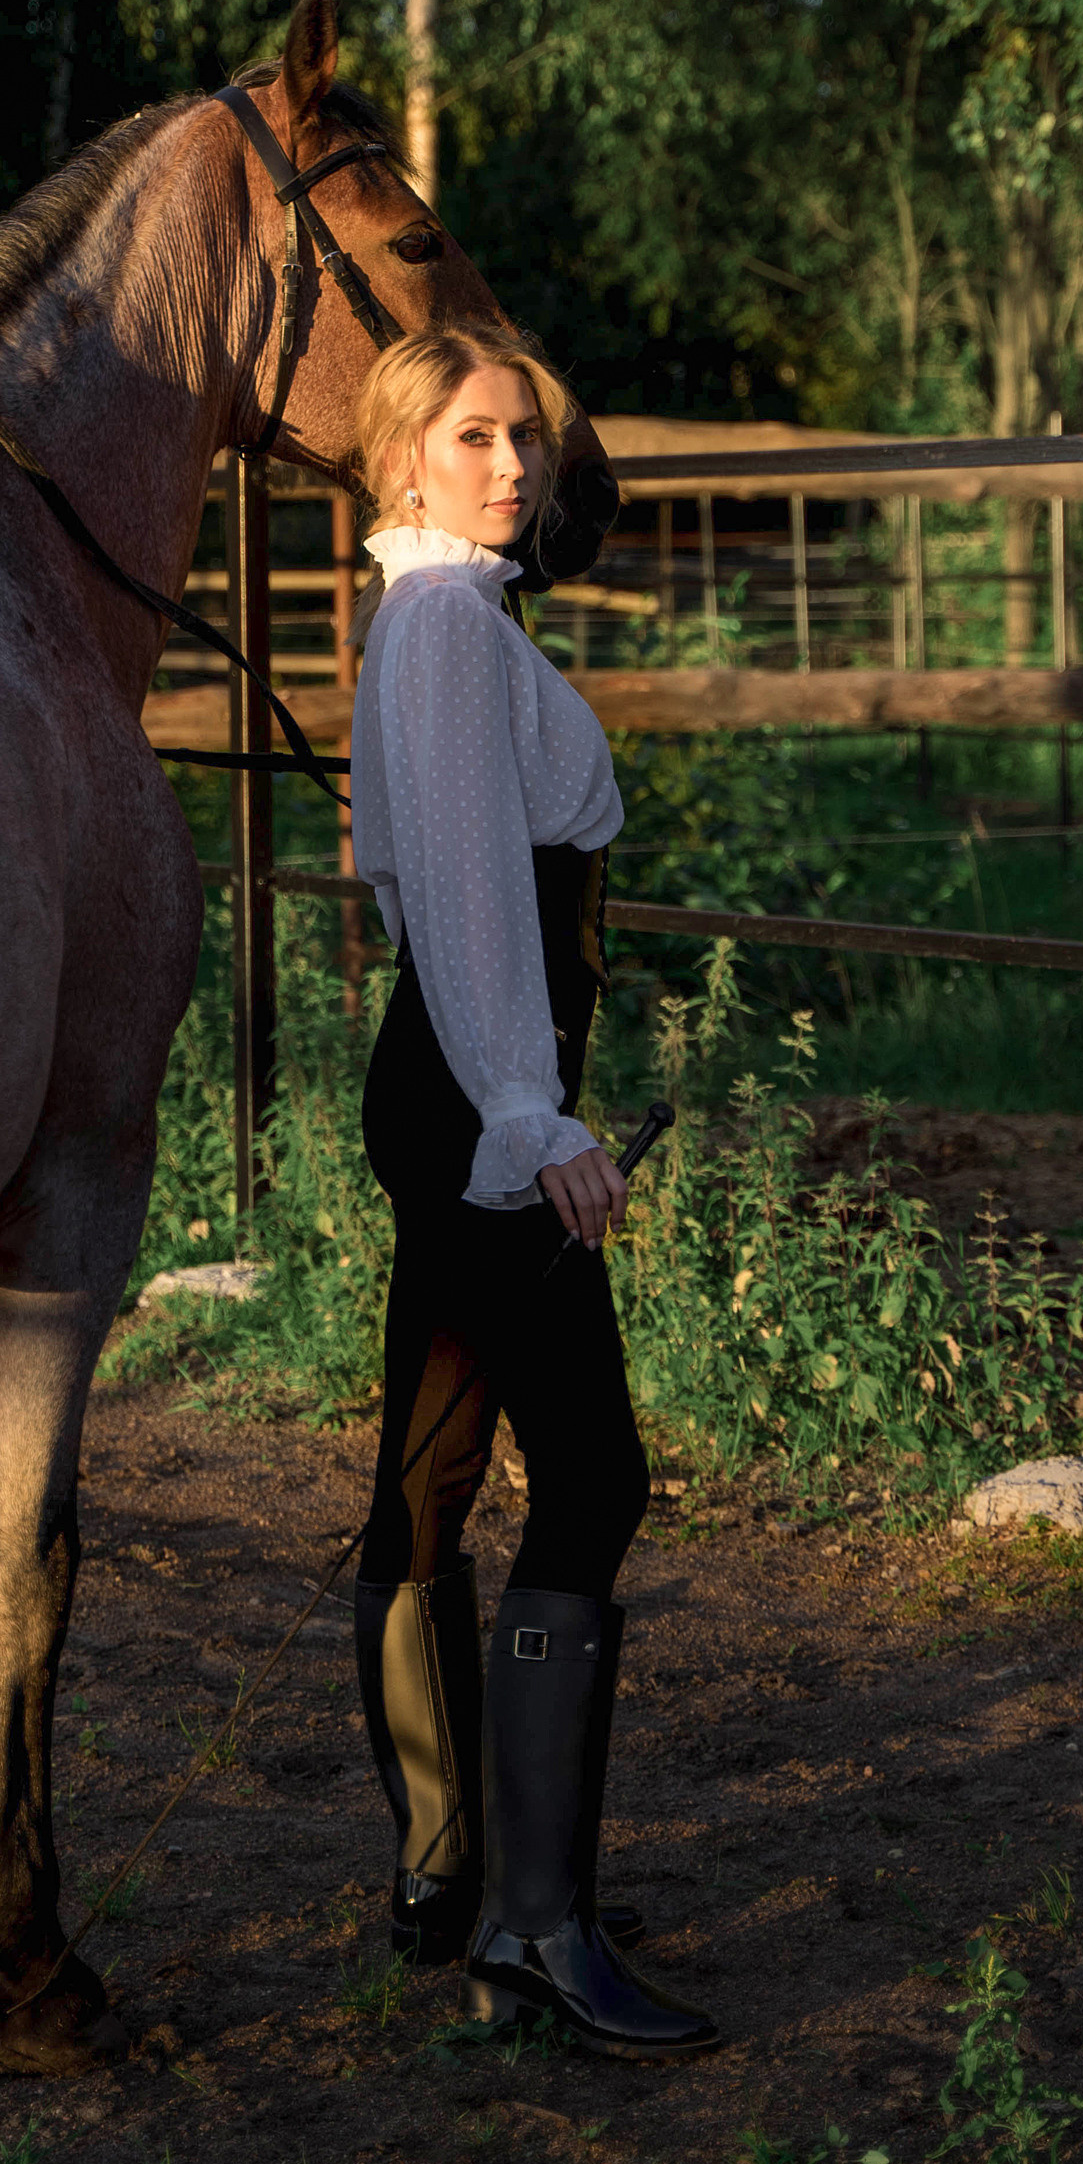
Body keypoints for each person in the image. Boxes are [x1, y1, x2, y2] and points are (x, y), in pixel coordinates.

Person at [346, 325, 716, 2060]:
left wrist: (495, 1088)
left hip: (452, 1085)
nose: (513, 467)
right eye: (473, 437)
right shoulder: (437, 626)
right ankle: (532, 1928)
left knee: (429, 1470)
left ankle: (469, 1875)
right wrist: (526, 1114)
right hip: (477, 1093)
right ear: (399, 458)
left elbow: (415, 874)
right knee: (593, 1475)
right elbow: (472, 895)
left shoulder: (449, 618)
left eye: (527, 441)